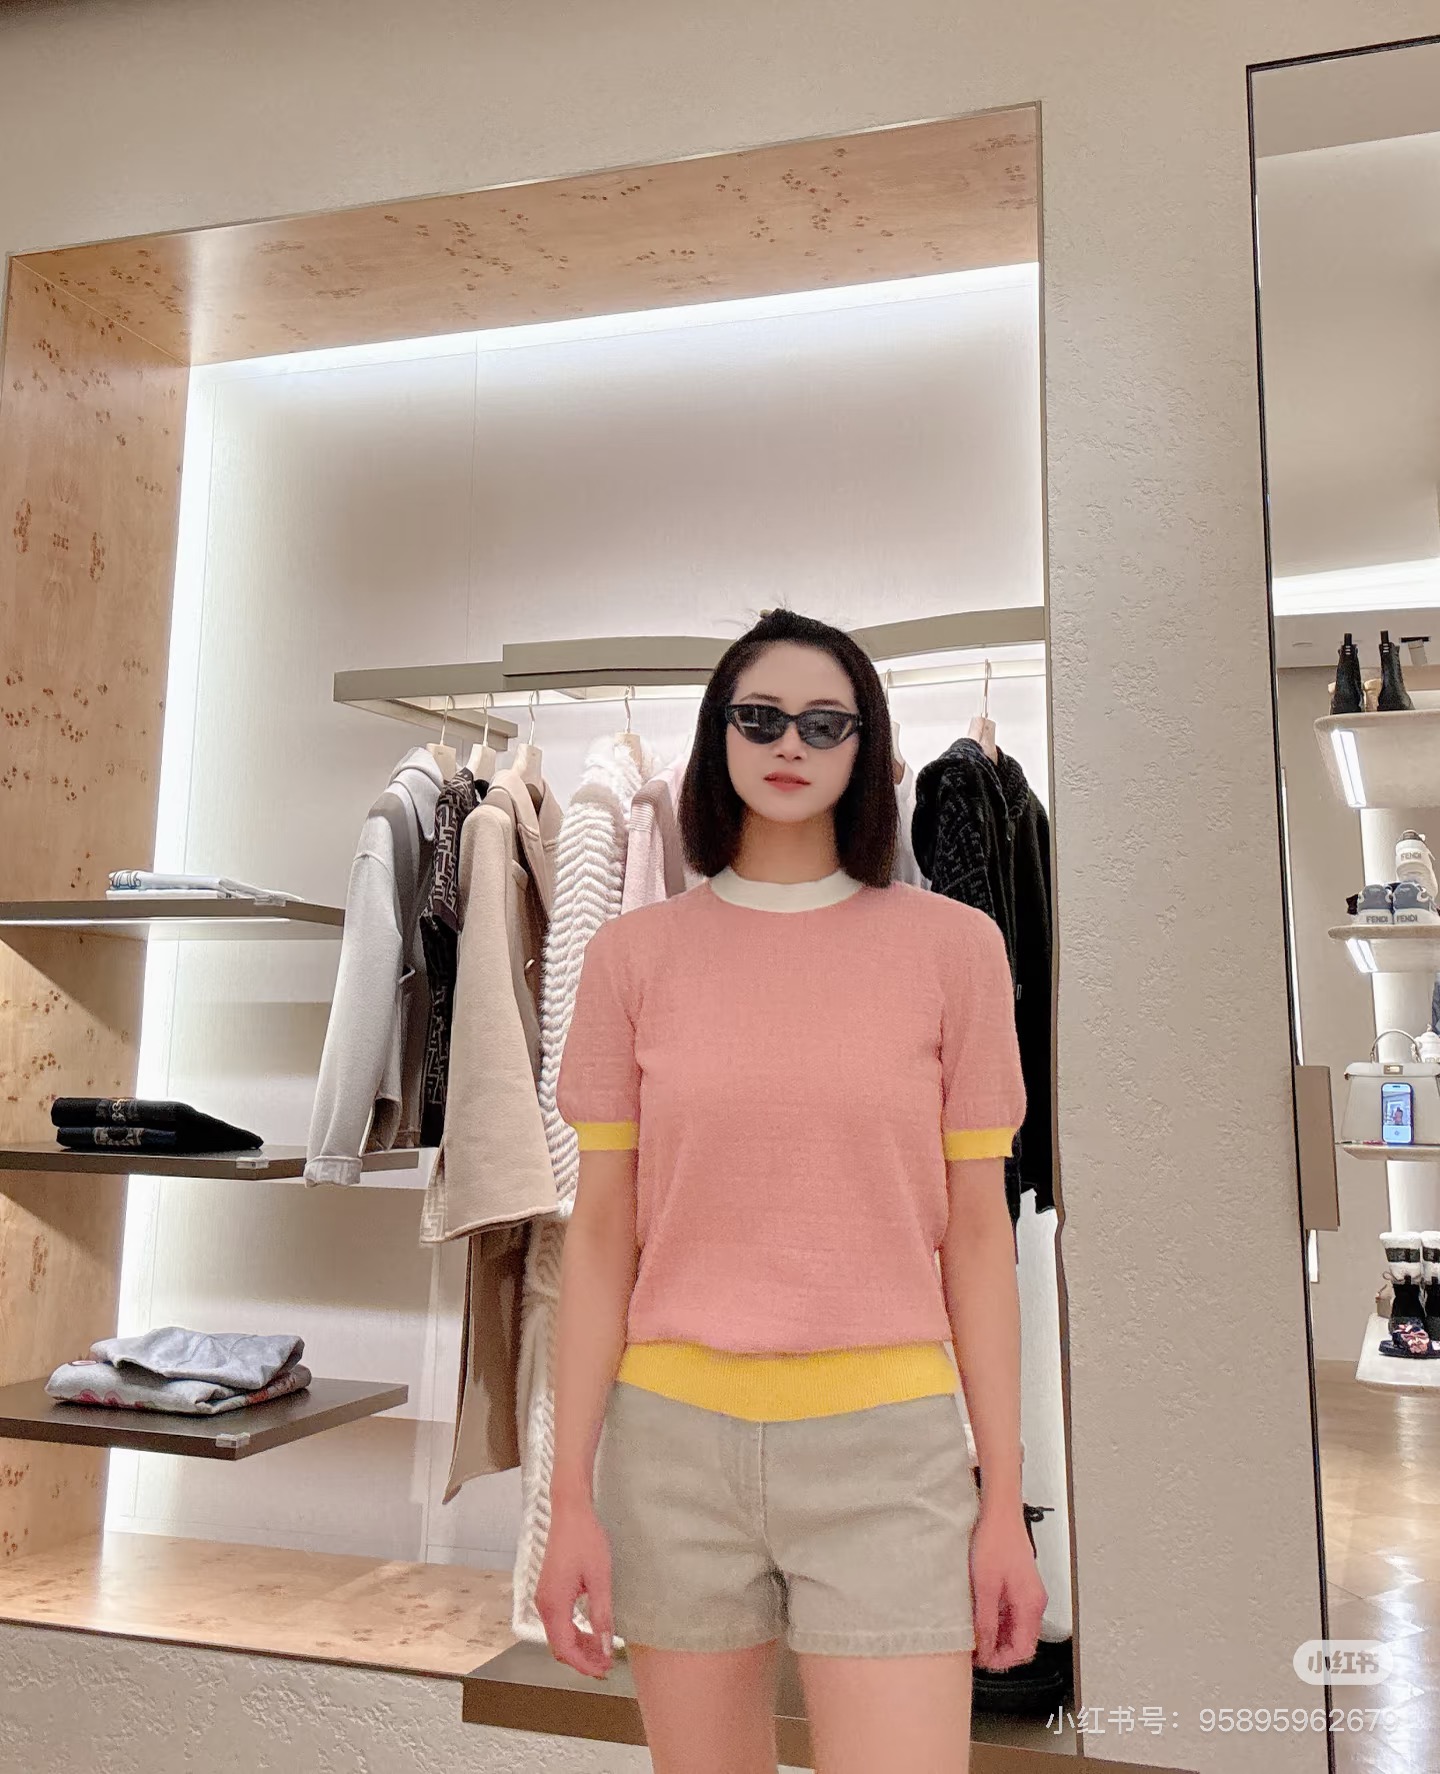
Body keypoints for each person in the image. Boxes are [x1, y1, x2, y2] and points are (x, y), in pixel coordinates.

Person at [536, 607, 1046, 1774]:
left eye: (827, 722)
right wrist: (569, 1497)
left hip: (890, 1454)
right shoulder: (633, 957)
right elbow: (600, 1232)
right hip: (671, 1452)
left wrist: (1002, 1500)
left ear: (868, 747)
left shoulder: (955, 948)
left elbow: (979, 1238)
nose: (790, 743)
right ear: (717, 733)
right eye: (760, 716)